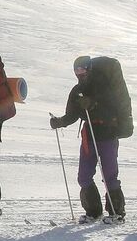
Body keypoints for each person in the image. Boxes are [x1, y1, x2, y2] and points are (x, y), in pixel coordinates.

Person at [49, 55, 124, 221]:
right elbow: (72, 115)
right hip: (89, 135)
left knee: (110, 175)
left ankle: (116, 213)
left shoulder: (104, 86)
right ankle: (93, 212)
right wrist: (59, 122)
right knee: (84, 176)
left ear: (89, 68)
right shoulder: (77, 91)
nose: (79, 73)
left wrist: (93, 104)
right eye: (76, 70)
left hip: (108, 133)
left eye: (82, 69)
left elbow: (113, 109)